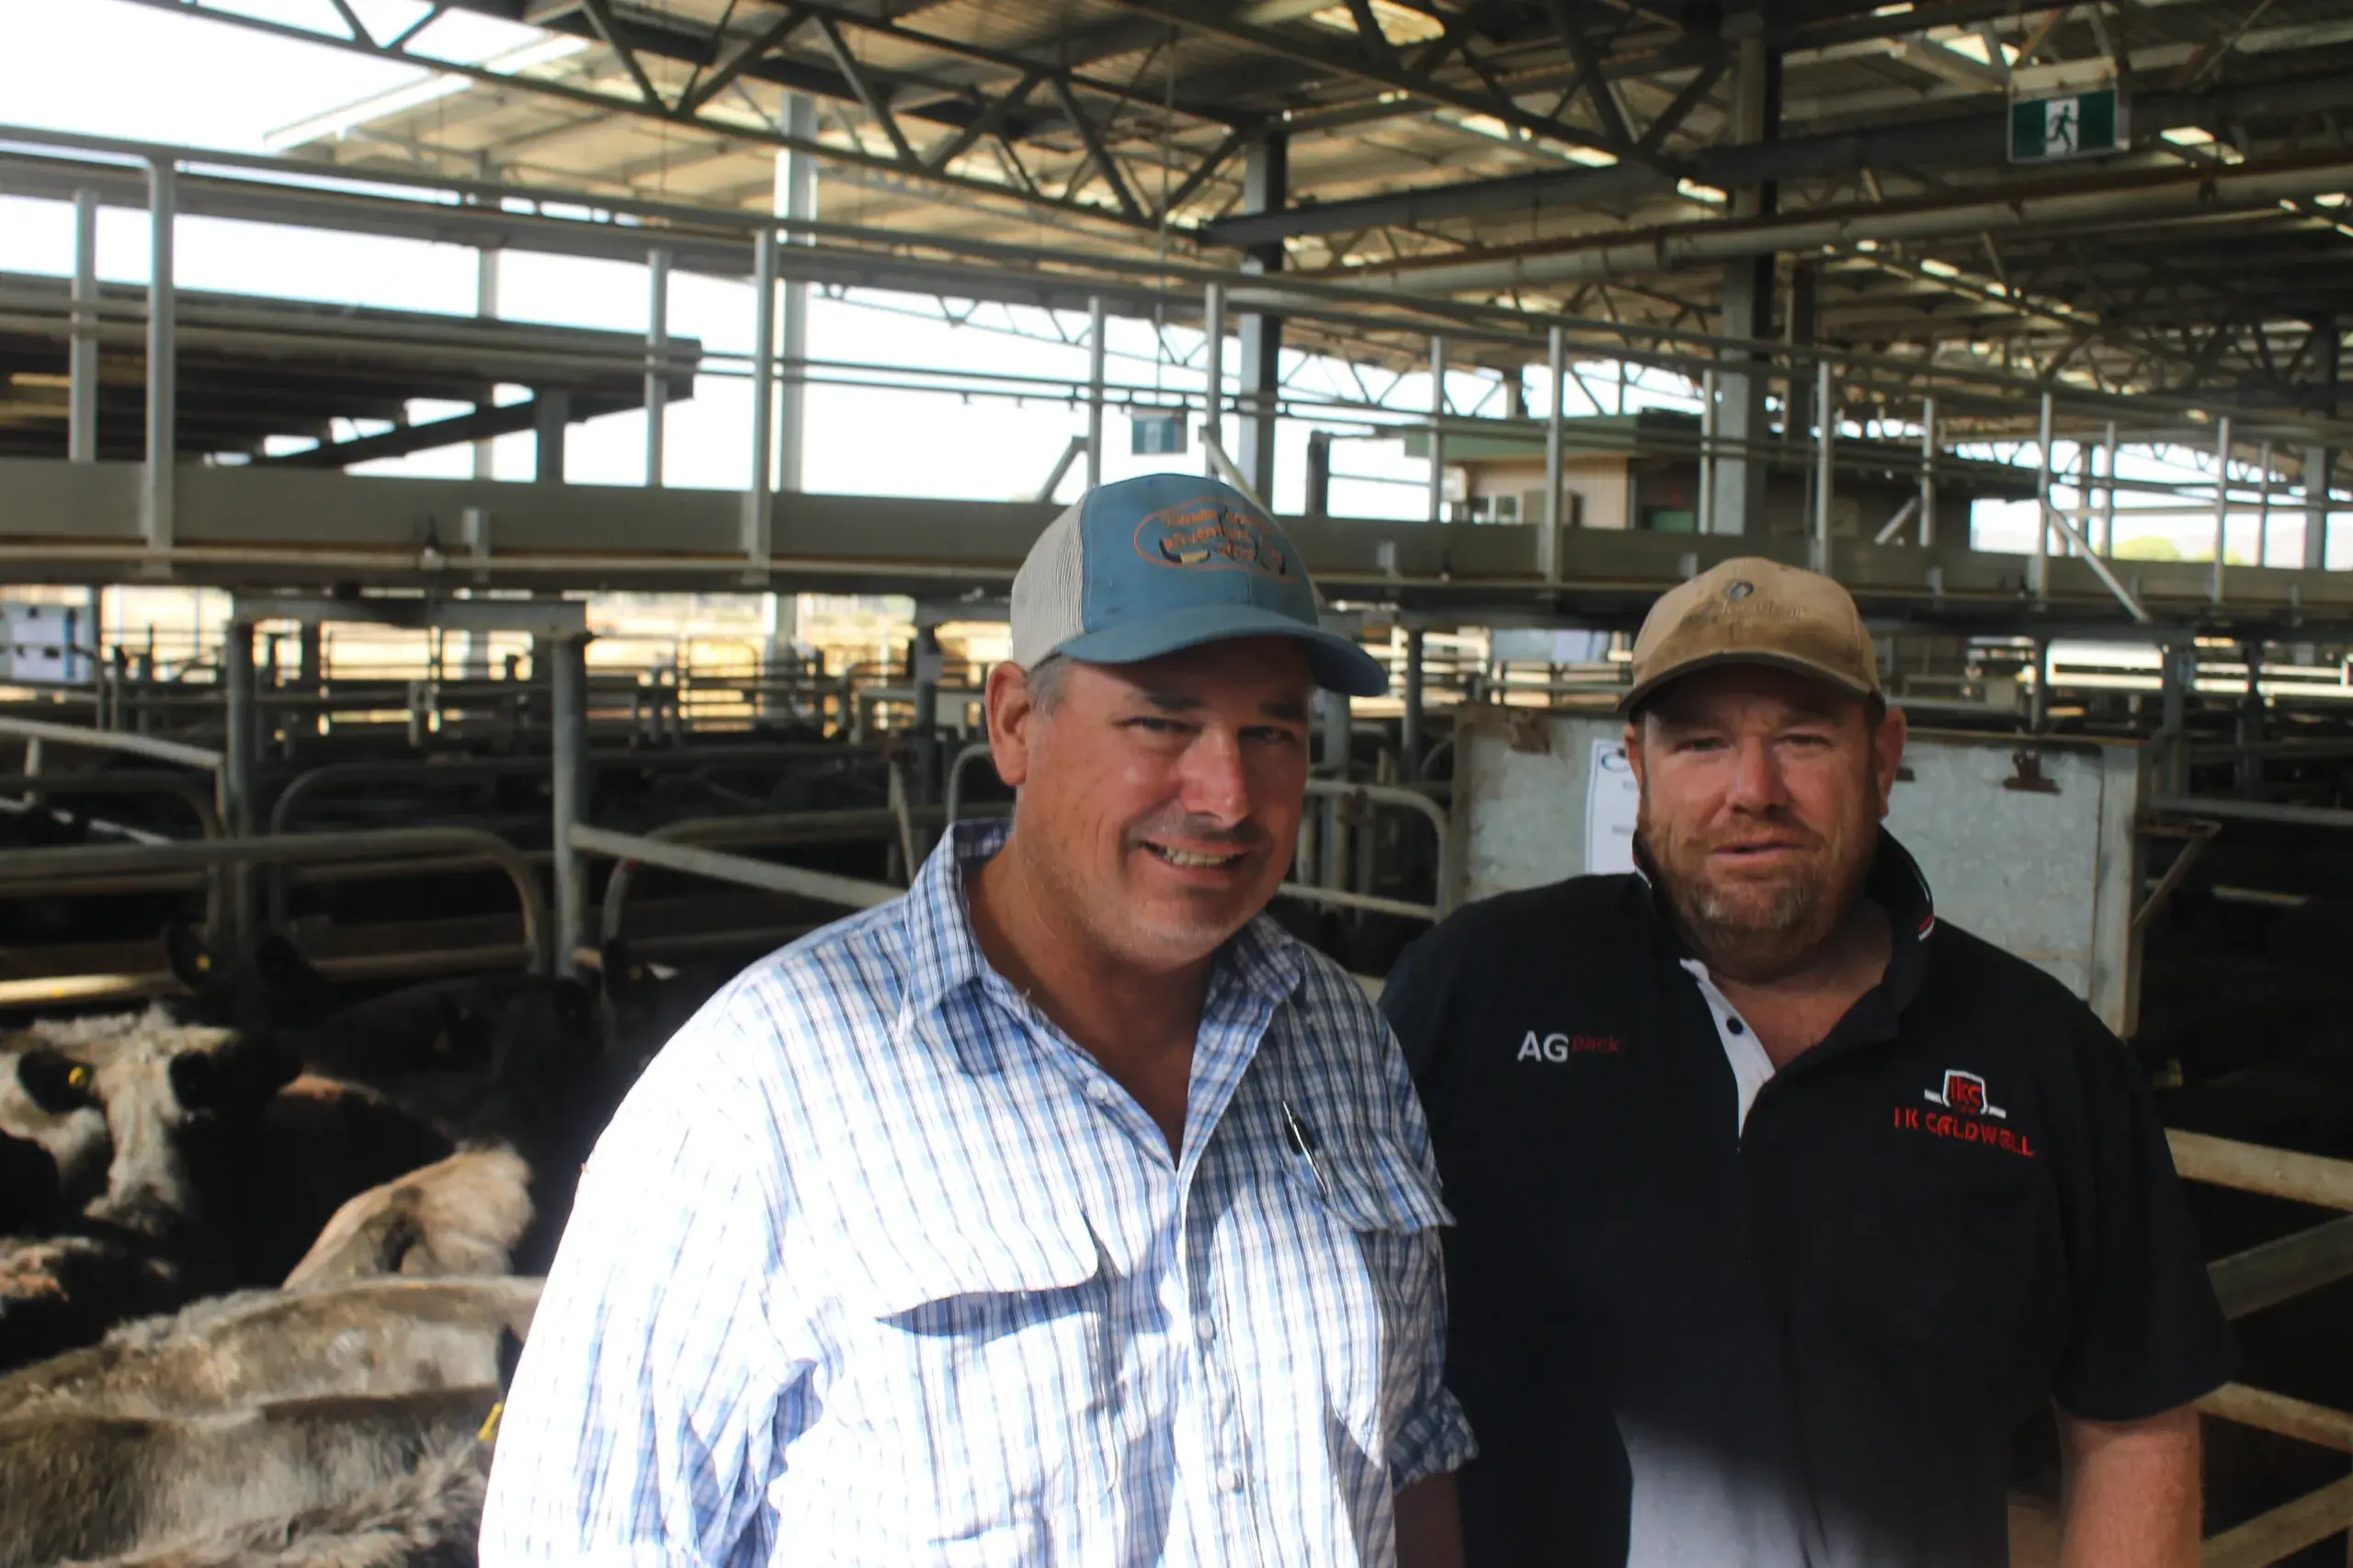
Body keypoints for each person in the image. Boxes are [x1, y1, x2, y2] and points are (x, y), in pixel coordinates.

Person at [481, 474, 1474, 1568]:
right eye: (1162, 720)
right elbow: (582, 1538)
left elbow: (1410, 1440)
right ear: (1013, 722)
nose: (1228, 793)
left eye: (1273, 731)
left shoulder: (1343, 1038)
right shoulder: (761, 1087)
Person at [1381, 557, 2234, 1568]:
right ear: (1636, 765)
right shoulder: (1478, 991)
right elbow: (1355, 1361)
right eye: (1700, 742)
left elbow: (2131, 1421)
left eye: (1801, 738)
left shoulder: (2043, 1055)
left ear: (1883, 756)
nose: (1753, 790)